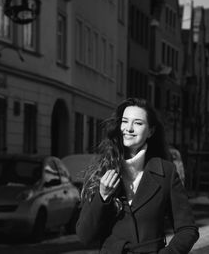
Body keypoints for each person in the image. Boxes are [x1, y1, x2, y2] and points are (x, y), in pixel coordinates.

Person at [76, 98, 199, 254]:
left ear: (151, 131)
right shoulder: (102, 170)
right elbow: (84, 236)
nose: (129, 128)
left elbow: (188, 229)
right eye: (125, 121)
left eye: (138, 123)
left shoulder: (166, 172)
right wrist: (103, 196)